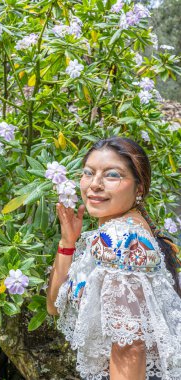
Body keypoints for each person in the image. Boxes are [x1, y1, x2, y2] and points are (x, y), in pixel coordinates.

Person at [46, 137, 181, 380]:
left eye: (111, 175)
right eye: (88, 173)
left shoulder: (121, 239)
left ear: (139, 188)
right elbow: (54, 306)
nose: (94, 185)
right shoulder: (123, 231)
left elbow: (129, 346)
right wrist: (67, 243)